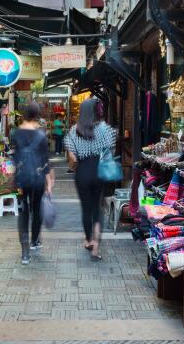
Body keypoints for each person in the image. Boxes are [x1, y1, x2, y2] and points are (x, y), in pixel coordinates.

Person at [65, 99, 116, 261]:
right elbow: (110, 151)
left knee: (86, 209)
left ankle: (88, 240)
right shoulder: (104, 129)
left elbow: (71, 157)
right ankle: (96, 245)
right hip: (99, 172)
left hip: (82, 173)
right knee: (97, 209)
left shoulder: (74, 130)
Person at [13, 102, 54, 265]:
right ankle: (35, 241)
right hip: (37, 179)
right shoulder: (41, 136)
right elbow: (45, 162)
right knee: (36, 209)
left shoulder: (16, 134)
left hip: (21, 180)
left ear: (23, 114)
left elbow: (14, 157)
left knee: (23, 211)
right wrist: (49, 182)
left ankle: (25, 254)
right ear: (37, 115)